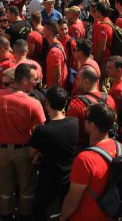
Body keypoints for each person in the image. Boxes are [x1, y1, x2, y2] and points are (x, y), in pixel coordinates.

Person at [0, 63, 46, 220]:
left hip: (1, 151)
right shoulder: (33, 103)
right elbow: (40, 133)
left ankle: (6, 214)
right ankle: (24, 214)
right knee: (27, 187)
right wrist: (39, 151)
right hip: (24, 152)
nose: (36, 82)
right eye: (34, 79)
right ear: (24, 80)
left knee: (5, 186)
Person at [60, 103, 122, 221]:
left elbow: (72, 200)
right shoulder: (120, 147)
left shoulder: (85, 159)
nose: (83, 121)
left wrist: (62, 218)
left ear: (93, 126)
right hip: (110, 214)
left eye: (86, 119)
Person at [28, 86, 78, 220]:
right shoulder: (75, 123)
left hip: (48, 177)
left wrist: (39, 152)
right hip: (68, 175)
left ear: (47, 104)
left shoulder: (43, 130)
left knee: (38, 209)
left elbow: (31, 152)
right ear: (65, 103)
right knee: (66, 208)